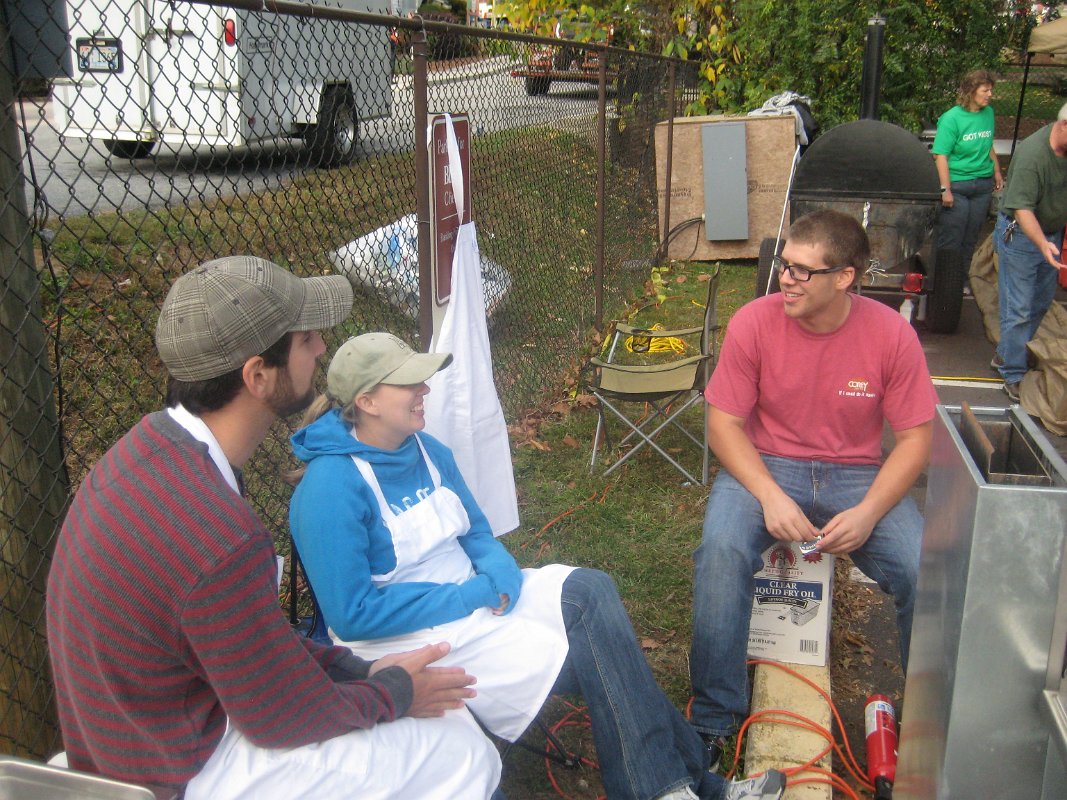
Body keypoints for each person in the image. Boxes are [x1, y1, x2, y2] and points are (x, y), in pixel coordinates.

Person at [46, 256, 502, 799]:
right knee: (463, 752)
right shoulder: (217, 534)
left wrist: (358, 666)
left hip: (139, 736)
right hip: (178, 771)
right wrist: (395, 693)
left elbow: (248, 645)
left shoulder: (147, 450)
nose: (321, 350)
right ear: (257, 376)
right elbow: (281, 719)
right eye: (306, 338)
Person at [288, 332, 787, 800]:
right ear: (367, 402)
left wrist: (500, 571)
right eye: (409, 383)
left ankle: (671, 785)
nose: (425, 388)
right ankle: (684, 785)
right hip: (406, 638)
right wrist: (475, 594)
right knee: (607, 659)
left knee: (590, 590)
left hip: (475, 597)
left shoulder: (425, 448)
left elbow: (476, 532)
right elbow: (352, 614)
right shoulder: (328, 489)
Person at [688, 210, 938, 769]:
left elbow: (917, 440)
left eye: (804, 271)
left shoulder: (891, 334)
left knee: (923, 569)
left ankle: (930, 718)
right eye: (784, 264)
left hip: (856, 473)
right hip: (767, 464)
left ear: (845, 277)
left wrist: (870, 511)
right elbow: (724, 425)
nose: (786, 279)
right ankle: (714, 717)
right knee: (721, 553)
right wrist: (771, 496)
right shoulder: (754, 322)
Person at [992, 102, 1067, 401]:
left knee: (1040, 301)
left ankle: (1007, 353)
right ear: (1063, 125)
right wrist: (1042, 244)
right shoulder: (1033, 155)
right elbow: (1022, 209)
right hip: (1022, 236)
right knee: (1019, 307)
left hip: (1051, 231)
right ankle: (1013, 374)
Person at [932, 69, 1004, 276]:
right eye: (986, 90)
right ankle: (944, 281)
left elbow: (987, 144)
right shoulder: (951, 119)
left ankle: (961, 280)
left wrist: (997, 171)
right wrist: (945, 189)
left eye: (991, 90)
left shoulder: (988, 113)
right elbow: (941, 156)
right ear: (972, 91)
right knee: (952, 236)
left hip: (982, 184)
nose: (990, 94)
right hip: (958, 185)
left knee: (971, 236)